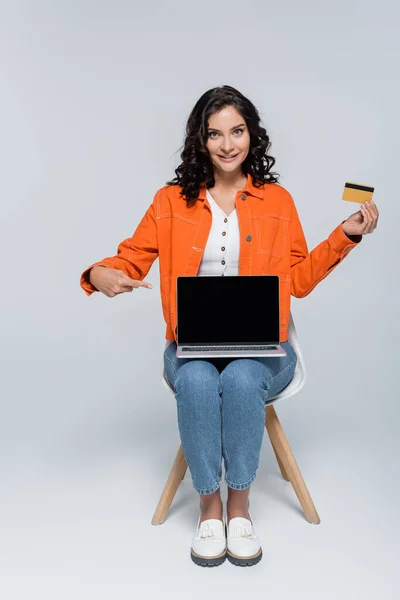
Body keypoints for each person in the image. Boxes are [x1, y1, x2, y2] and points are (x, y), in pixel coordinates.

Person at [80, 85, 379, 568]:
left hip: (264, 346)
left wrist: (344, 236)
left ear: (252, 134)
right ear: (200, 140)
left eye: (236, 131)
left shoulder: (277, 201)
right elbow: (130, 259)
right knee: (197, 380)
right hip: (191, 345)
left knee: (241, 378)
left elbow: (298, 281)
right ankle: (208, 507)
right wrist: (98, 274)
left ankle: (239, 506)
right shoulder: (170, 201)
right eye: (214, 133)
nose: (227, 144)